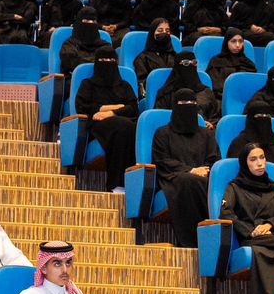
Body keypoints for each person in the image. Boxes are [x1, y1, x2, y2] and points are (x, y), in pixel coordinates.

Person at [216, 143, 274, 294]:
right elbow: (226, 213)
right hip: (251, 237)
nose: (260, 163)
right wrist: (251, 231)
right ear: (245, 163)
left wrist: (269, 225)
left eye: (262, 157)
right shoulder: (235, 187)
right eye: (253, 159)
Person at [150, 99, 216, 248]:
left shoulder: (206, 134)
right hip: (172, 177)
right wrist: (191, 170)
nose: (188, 107)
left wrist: (205, 170)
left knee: (205, 183)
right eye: (183, 103)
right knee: (188, 181)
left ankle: (209, 238)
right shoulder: (163, 133)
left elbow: (214, 159)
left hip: (203, 176)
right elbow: (162, 160)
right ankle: (192, 241)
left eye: (191, 103)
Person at [74, 48, 138, 191]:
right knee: (123, 128)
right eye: (103, 60)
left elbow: (134, 108)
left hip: (123, 122)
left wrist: (111, 113)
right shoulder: (88, 84)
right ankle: (117, 184)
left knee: (128, 128)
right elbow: (82, 106)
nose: (107, 63)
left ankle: (127, 184)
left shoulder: (124, 85)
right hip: (98, 124)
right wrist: (116, 107)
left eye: (111, 60)